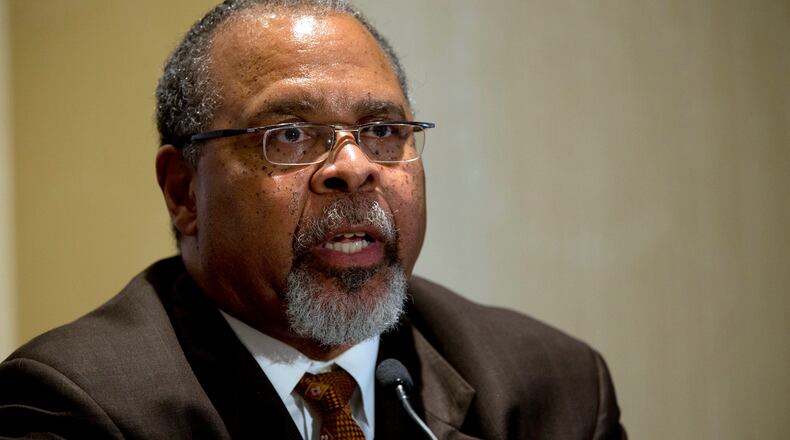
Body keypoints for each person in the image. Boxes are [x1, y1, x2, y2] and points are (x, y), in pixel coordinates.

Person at [0, 0, 625, 438]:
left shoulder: (554, 387)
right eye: (292, 133)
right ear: (184, 191)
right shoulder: (76, 406)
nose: (353, 167)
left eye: (381, 130)